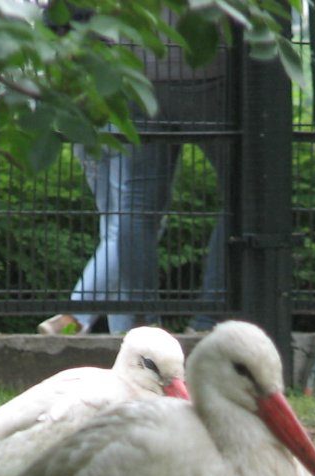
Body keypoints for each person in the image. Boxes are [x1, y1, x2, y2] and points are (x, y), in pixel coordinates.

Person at [41, 27, 230, 336]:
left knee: (134, 207)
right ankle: (210, 317)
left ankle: (141, 324)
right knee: (245, 196)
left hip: (138, 80)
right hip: (207, 73)